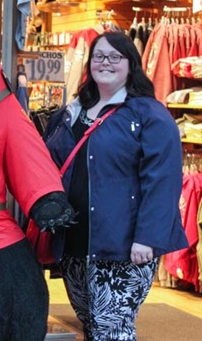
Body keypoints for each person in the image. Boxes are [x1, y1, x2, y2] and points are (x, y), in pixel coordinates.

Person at [43, 31, 188, 340]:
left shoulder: (149, 115)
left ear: (131, 63)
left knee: (113, 330)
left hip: (124, 246)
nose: (105, 63)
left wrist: (148, 238)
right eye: (98, 56)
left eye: (114, 57)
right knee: (92, 325)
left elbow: (163, 181)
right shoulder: (71, 113)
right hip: (75, 242)